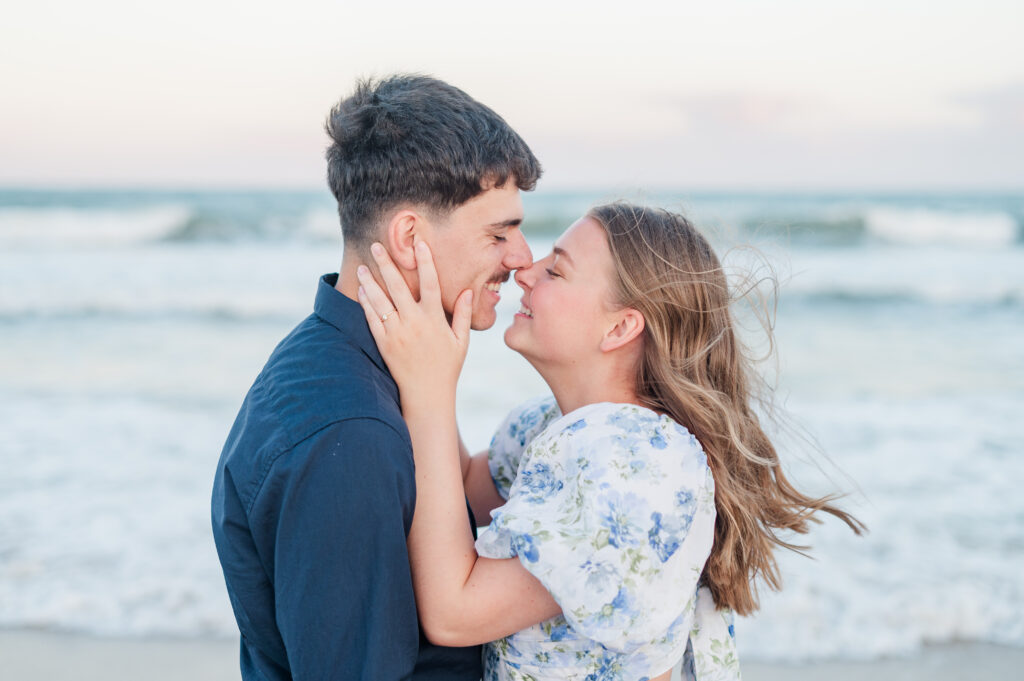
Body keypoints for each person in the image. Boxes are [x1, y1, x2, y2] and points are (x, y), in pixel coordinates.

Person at [356, 203, 864, 680]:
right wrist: (430, 341)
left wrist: (429, 391)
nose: (526, 271)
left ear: (621, 326)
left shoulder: (639, 470)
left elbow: (454, 615)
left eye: (556, 271)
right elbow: (463, 485)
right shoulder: (555, 425)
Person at [210, 74, 541, 681]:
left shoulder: (348, 370)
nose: (522, 259)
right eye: (498, 233)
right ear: (410, 237)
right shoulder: (352, 433)